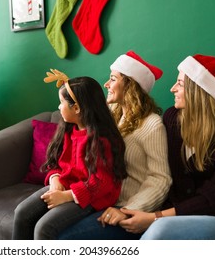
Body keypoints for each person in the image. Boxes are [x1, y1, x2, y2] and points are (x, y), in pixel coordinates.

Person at [122, 54, 215, 240]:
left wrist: (155, 218)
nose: (172, 89)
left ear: (199, 91)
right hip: (177, 215)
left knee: (159, 233)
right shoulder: (172, 118)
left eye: (180, 83)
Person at [58, 50, 172, 239]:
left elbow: (160, 179)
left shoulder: (152, 125)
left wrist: (128, 209)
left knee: (63, 237)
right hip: (99, 197)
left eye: (113, 79)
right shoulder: (109, 113)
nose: (106, 84)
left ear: (130, 85)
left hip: (125, 207)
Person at [12, 71, 127, 240]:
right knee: (21, 213)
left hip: (89, 197)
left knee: (44, 228)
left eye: (61, 103)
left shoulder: (101, 140)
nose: (59, 107)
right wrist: (55, 180)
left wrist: (66, 196)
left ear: (77, 108)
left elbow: (101, 183)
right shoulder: (68, 130)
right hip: (65, 186)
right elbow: (56, 163)